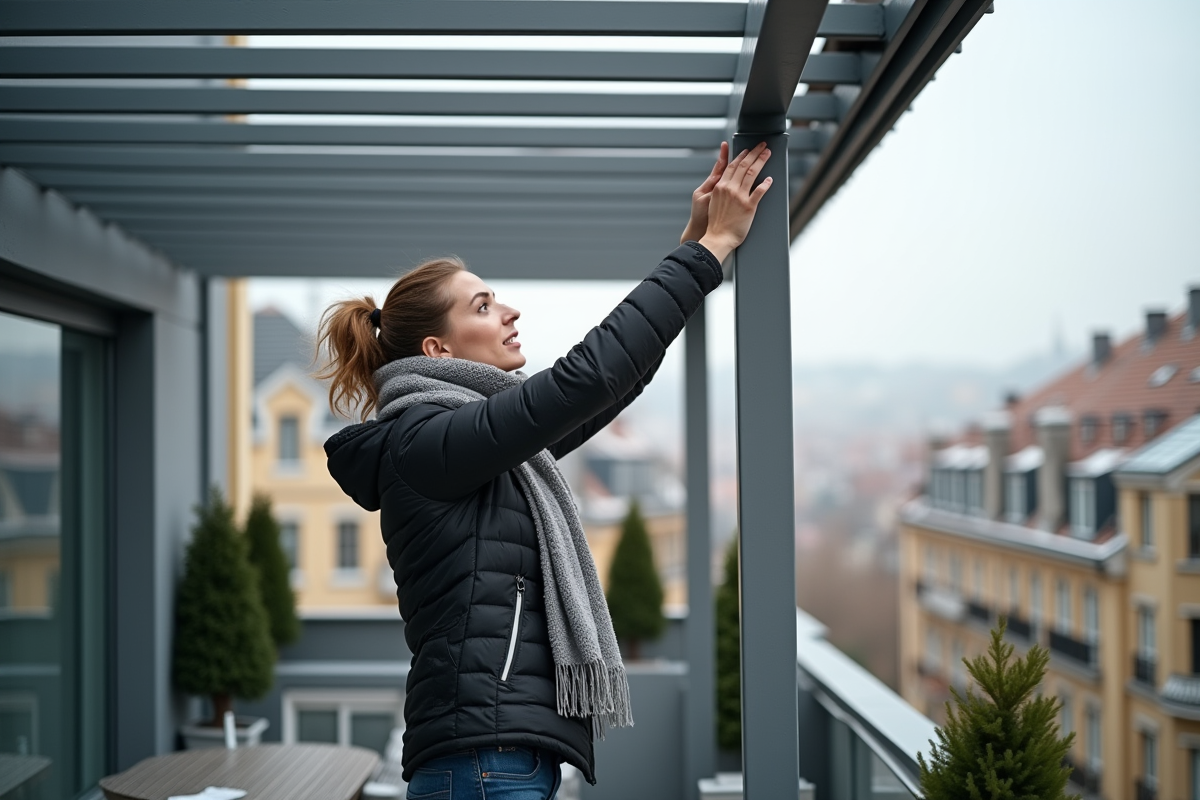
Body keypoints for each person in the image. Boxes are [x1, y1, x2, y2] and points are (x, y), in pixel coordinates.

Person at [317, 142, 772, 800]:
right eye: (481, 306)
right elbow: (585, 379)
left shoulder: (474, 446)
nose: (509, 312)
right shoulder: (426, 441)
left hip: (497, 758)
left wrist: (694, 245)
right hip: (483, 761)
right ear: (437, 349)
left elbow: (612, 386)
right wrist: (708, 253)